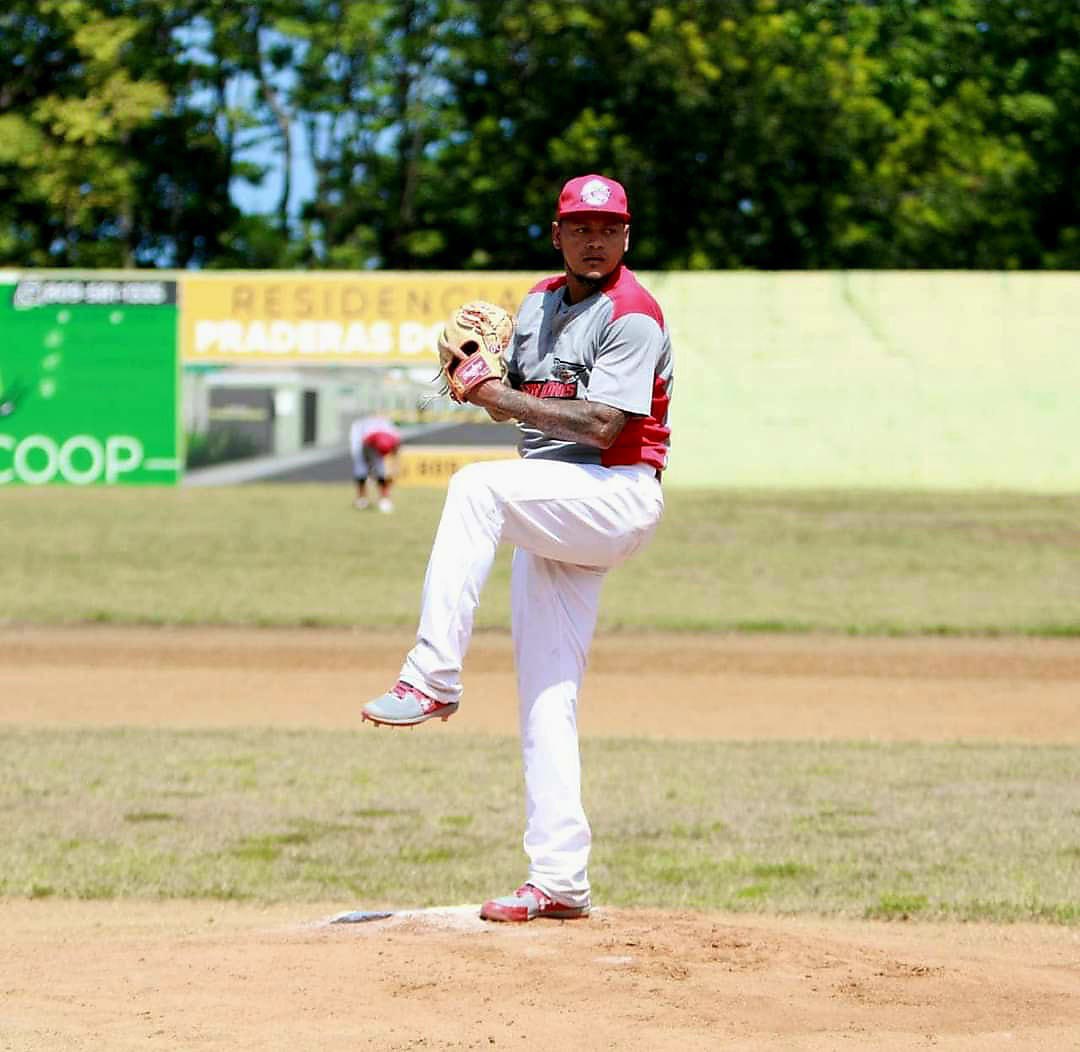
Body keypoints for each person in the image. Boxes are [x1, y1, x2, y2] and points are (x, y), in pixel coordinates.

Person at [362, 173, 673, 923]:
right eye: (580, 227)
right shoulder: (535, 305)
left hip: (615, 491)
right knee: (546, 697)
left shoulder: (633, 315)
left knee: (475, 489)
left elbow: (600, 427)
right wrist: (482, 376)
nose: (595, 239)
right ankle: (560, 879)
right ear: (557, 234)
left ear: (626, 237)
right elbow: (523, 402)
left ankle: (431, 676)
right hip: (553, 503)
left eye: (610, 228)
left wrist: (494, 396)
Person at [348, 414, 401, 512]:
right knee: (361, 470)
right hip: (361, 440)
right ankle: (362, 499)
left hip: (376, 442)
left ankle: (384, 499)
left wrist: (394, 468)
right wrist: (369, 469)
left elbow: (395, 453)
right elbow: (364, 452)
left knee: (381, 472)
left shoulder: (394, 437)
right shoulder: (368, 437)